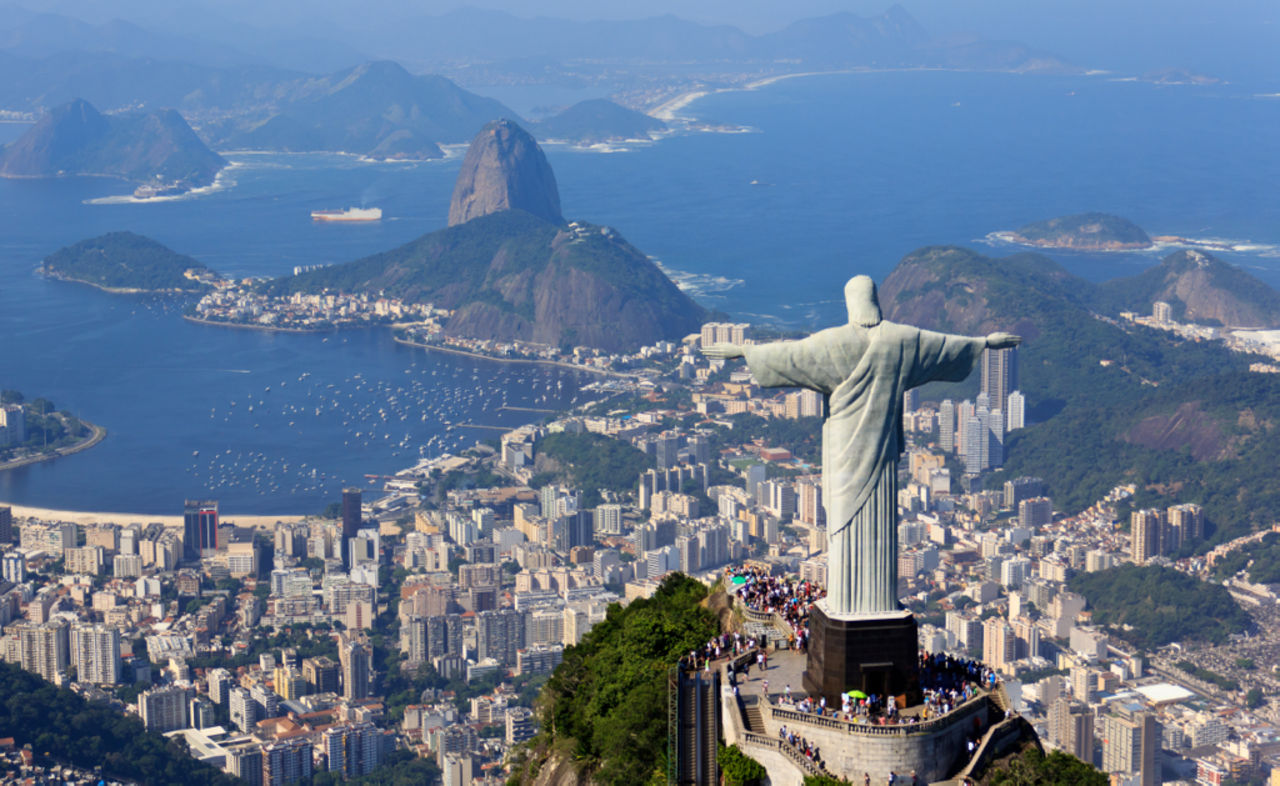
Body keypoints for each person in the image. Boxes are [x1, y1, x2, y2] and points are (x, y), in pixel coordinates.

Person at [703, 276, 1019, 615]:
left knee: (842, 522)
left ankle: (847, 603)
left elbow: (790, 356)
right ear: (876, 301)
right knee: (878, 524)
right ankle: (874, 603)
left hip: (843, 454)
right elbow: (943, 346)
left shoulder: (832, 343)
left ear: (850, 302)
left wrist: (744, 351)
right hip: (881, 452)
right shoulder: (901, 340)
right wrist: (984, 343)